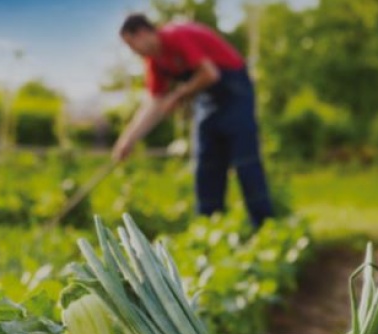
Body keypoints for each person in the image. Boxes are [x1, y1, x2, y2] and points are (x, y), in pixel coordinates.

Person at [113, 13, 275, 228]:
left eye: (131, 45)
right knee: (206, 165)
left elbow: (210, 73)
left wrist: (178, 95)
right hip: (207, 101)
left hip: (235, 93)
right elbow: (153, 105)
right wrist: (128, 140)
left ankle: (265, 227)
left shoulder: (176, 35)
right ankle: (208, 231)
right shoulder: (155, 62)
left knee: (245, 163)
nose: (133, 52)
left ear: (143, 33)